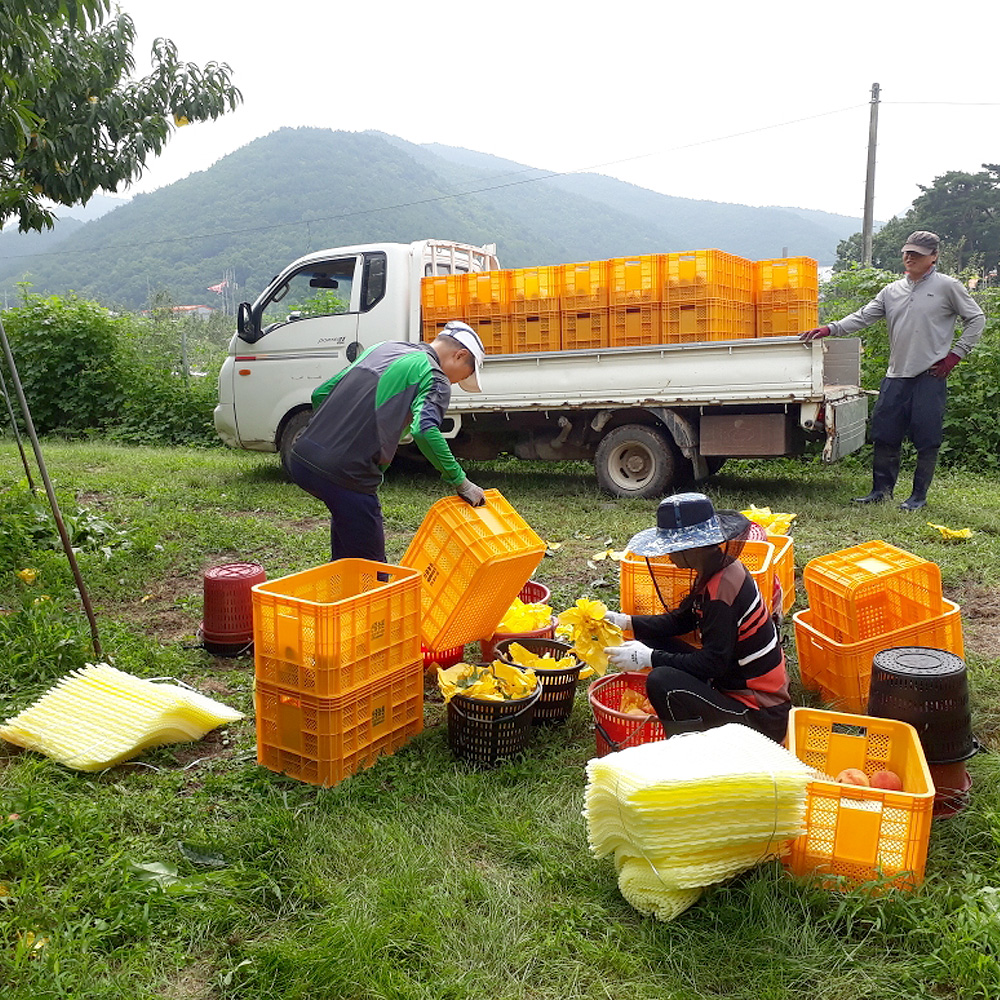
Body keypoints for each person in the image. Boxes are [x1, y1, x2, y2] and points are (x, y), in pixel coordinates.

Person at [800, 230, 985, 511]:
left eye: (917, 254)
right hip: (896, 375)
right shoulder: (892, 291)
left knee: (927, 438)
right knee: (885, 434)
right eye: (907, 252)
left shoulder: (948, 287)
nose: (910, 257)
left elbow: (976, 318)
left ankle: (918, 497)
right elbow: (863, 317)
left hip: (930, 376)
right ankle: (880, 491)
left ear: (933, 257)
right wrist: (829, 328)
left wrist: (955, 356)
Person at [288, 320, 487, 562]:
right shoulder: (435, 376)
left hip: (301, 459)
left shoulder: (384, 348)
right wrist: (461, 483)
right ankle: (366, 595)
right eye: (461, 377)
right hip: (348, 472)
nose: (454, 383)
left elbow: (320, 393)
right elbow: (425, 430)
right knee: (374, 570)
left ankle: (342, 589)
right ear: (459, 355)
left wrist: (333, 435)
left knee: (348, 542)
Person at [602, 493, 791, 743]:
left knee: (662, 681)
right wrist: (625, 621)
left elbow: (713, 663)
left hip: (759, 717)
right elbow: (681, 621)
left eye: (672, 549)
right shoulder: (718, 570)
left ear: (692, 548)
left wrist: (648, 658)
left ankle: (688, 749)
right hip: (729, 685)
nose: (668, 555)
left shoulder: (721, 592)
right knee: (654, 641)